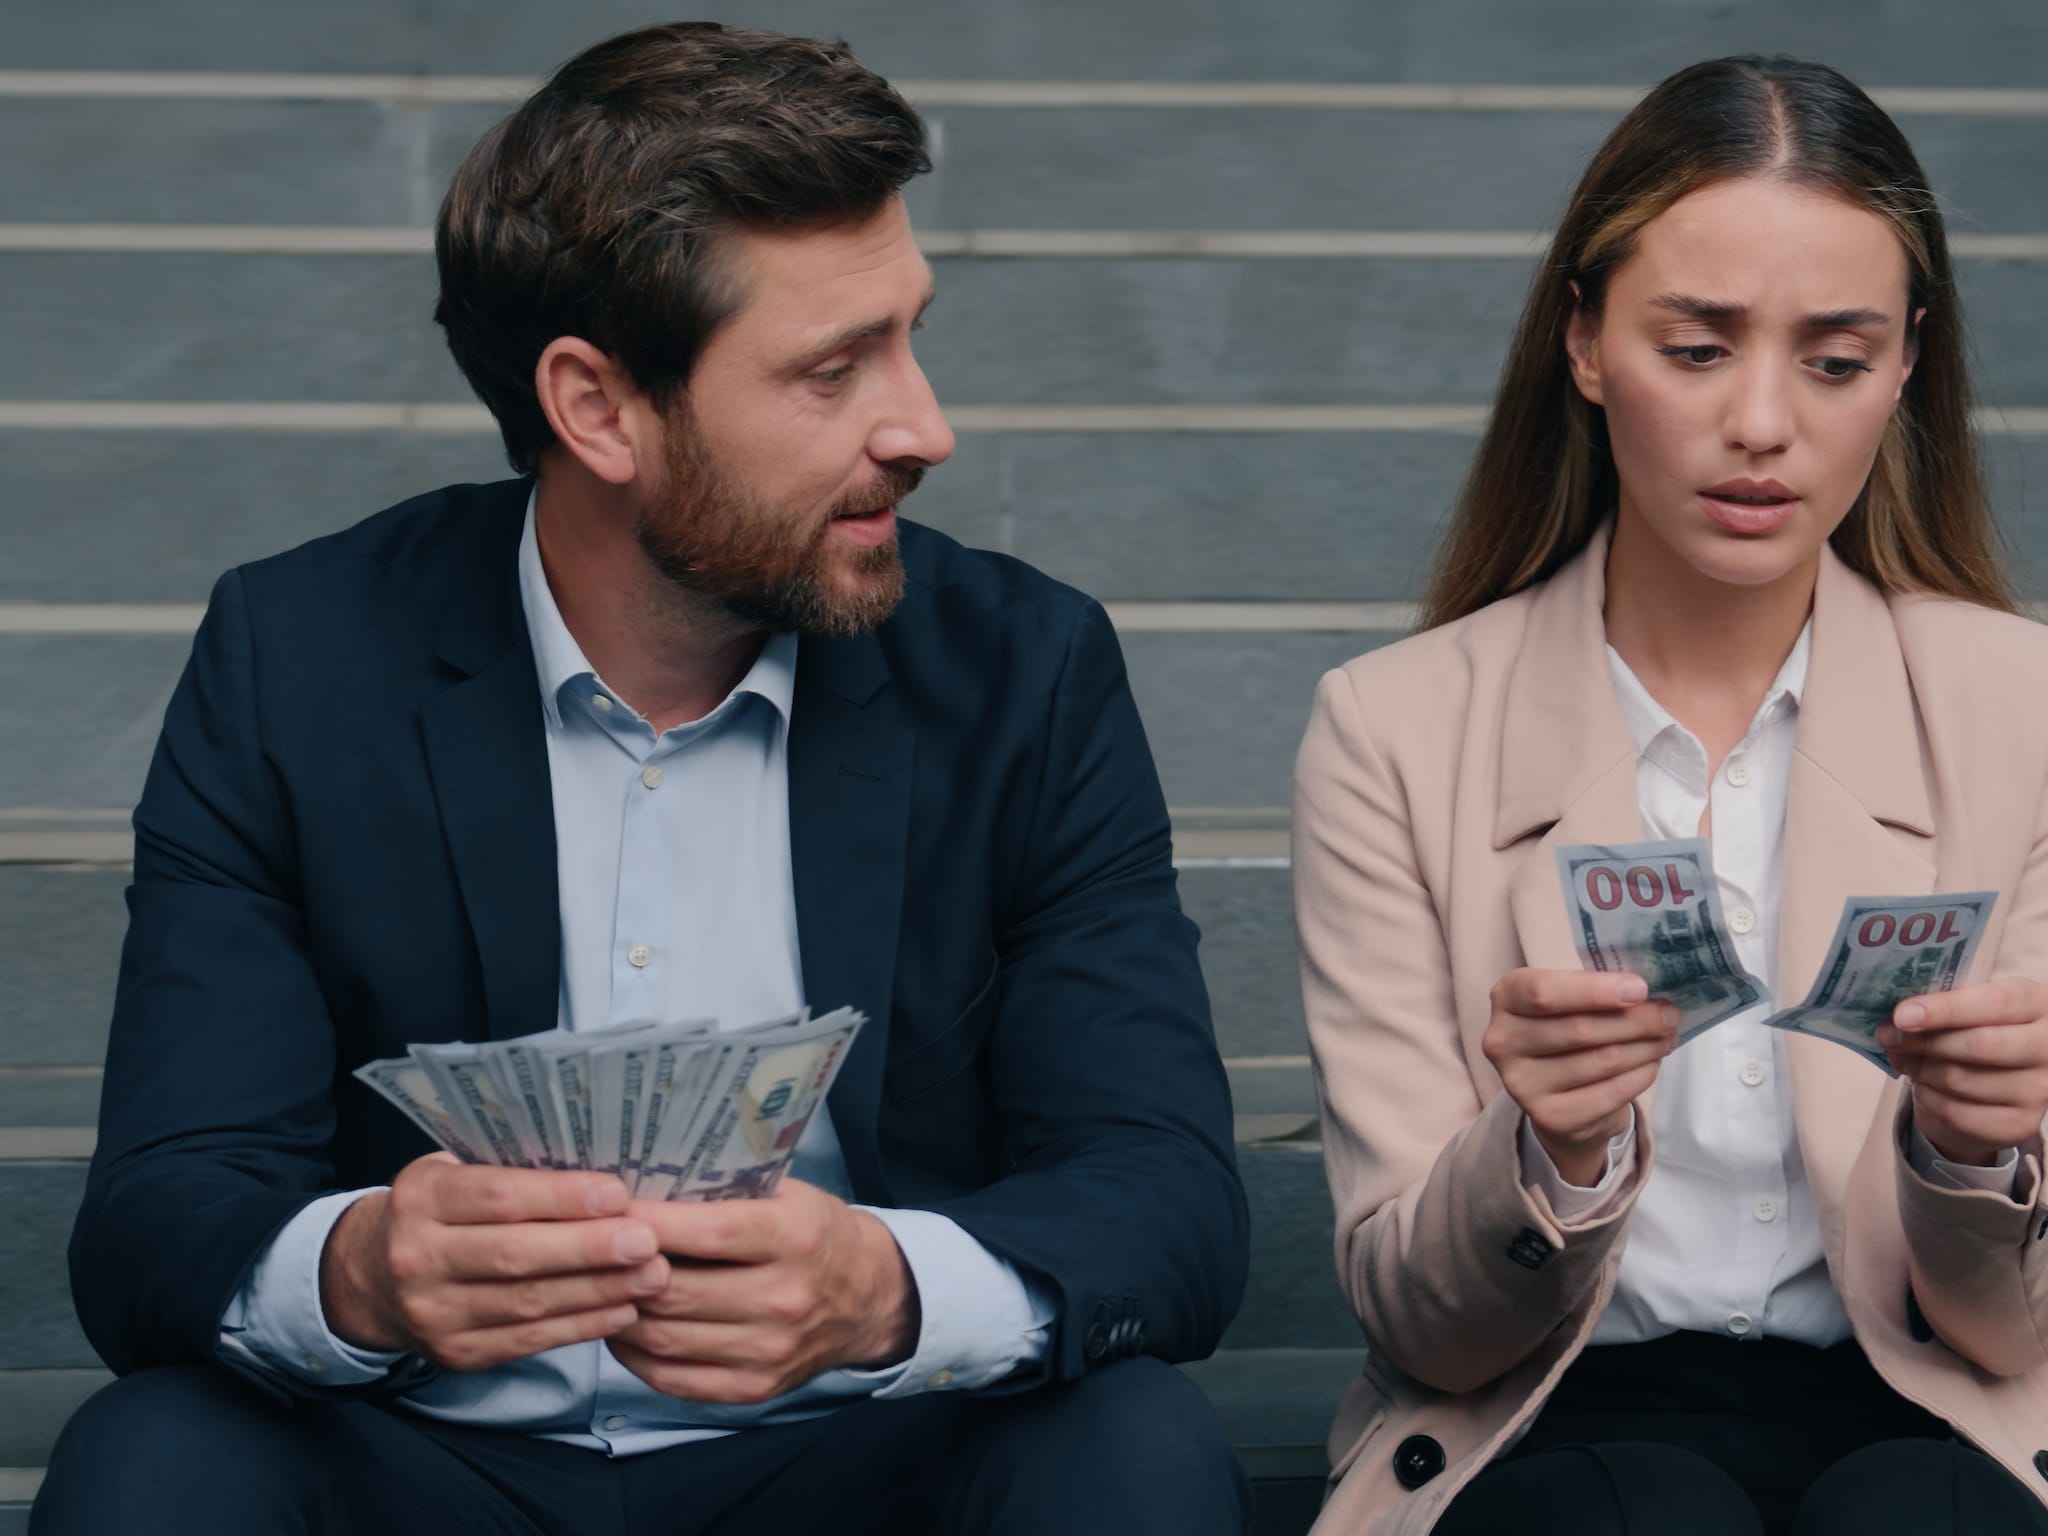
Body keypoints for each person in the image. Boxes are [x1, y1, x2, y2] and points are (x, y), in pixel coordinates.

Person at [33, 23, 1251, 1535]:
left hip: (860, 1458)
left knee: (1136, 1444)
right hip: (428, 1466)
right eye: (831, 369)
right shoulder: (297, 660)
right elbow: (163, 1209)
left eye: (909, 334)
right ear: (598, 407)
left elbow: (1166, 1198)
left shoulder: (1025, 671)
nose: (922, 426)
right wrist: (364, 1271)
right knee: (150, 1460)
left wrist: (880, 1290)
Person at [1292, 54, 2048, 1536]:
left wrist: (1977, 1154)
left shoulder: (2021, 708)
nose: (1762, 424)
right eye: (1697, 349)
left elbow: (2016, 1337)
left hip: (1934, 1401)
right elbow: (1424, 1326)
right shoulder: (1393, 728)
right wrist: (1547, 1154)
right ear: (1583, 342)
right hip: (1555, 1413)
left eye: (1835, 360)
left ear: (1906, 367)